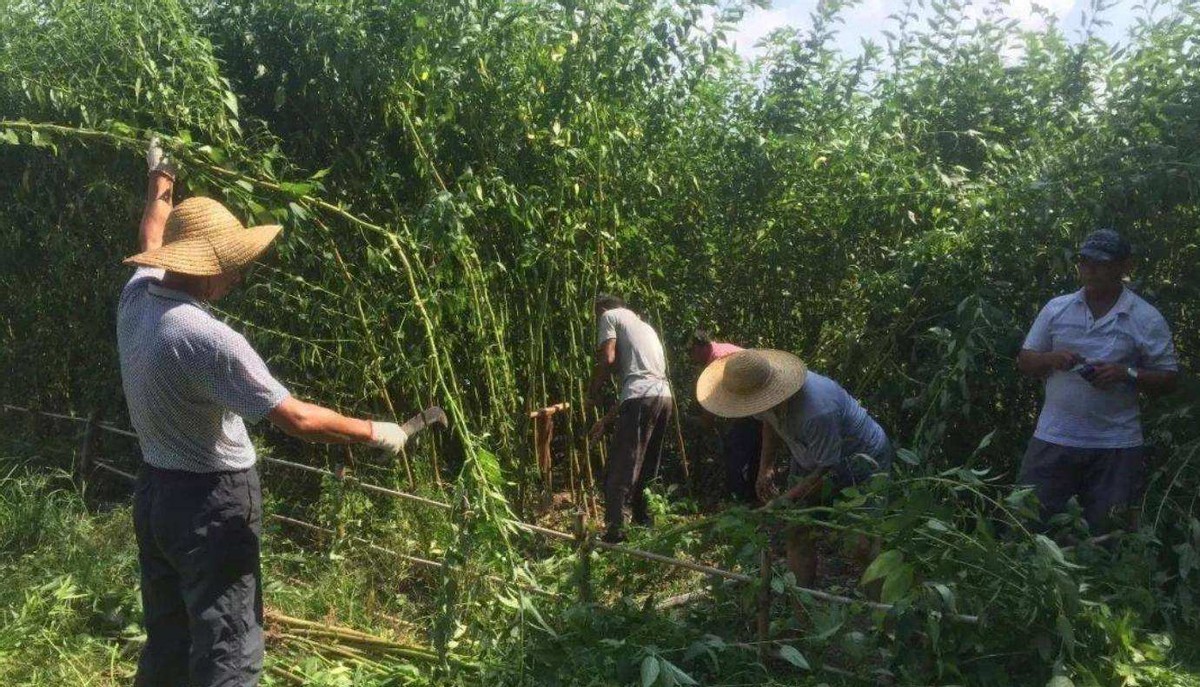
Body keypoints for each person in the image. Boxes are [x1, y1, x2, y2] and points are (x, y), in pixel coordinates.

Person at [120, 138, 414, 687]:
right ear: (205, 268)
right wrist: (377, 431)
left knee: (169, 634)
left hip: (155, 493)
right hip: (213, 505)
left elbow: (151, 236)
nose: (236, 276)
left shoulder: (136, 296)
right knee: (228, 642)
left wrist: (160, 182)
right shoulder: (206, 338)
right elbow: (297, 419)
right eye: (230, 267)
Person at [1017, 229, 1178, 534]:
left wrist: (1126, 374)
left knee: (1107, 537)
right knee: (1029, 527)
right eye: (1084, 262)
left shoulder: (1145, 317)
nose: (1090, 270)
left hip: (1115, 446)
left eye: (1101, 263)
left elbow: (1170, 380)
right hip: (1054, 438)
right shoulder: (1057, 308)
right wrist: (1051, 359)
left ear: (1124, 267)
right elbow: (1025, 360)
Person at [696, 349, 892, 588]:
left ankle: (881, 616)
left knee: (864, 544)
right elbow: (769, 422)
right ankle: (802, 605)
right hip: (810, 458)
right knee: (796, 530)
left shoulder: (817, 411)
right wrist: (765, 468)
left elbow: (826, 471)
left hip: (862, 461)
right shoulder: (760, 395)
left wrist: (782, 500)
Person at [586, 294, 673, 543]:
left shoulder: (608, 316)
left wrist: (593, 392)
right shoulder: (645, 326)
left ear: (602, 308)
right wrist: (606, 420)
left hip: (640, 398)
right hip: (663, 397)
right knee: (647, 466)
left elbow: (608, 358)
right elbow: (641, 383)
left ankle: (616, 532)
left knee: (621, 467)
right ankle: (644, 525)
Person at [689, 330, 760, 501]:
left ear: (700, 347)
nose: (690, 357)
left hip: (754, 406)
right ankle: (753, 499)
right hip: (754, 406)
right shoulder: (721, 350)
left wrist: (705, 421)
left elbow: (712, 396)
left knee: (736, 452)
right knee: (753, 453)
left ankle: (740, 501)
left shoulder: (717, 360)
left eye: (690, 351)